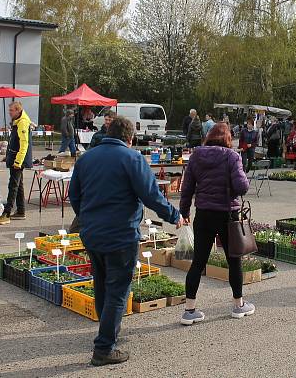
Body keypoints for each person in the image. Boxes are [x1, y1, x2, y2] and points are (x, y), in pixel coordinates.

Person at [68, 116, 182, 365]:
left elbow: (74, 196)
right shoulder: (132, 159)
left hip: (92, 233)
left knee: (101, 284)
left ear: (109, 131)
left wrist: (87, 218)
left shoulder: (86, 158)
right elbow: (152, 196)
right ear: (130, 139)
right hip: (121, 234)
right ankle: (104, 347)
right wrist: (174, 216)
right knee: (118, 291)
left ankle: (105, 333)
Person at [178, 122, 253, 326]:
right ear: (227, 139)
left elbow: (187, 189)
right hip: (228, 215)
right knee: (233, 260)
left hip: (203, 214)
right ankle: (238, 305)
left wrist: (184, 212)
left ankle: (189, 310)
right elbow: (241, 186)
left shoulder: (196, 156)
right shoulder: (232, 156)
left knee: (198, 262)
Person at [0, 102, 32, 225]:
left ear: (18, 110)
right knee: (19, 184)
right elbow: (14, 141)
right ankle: (21, 210)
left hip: (18, 159)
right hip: (15, 157)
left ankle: (6, 213)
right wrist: (8, 156)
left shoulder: (22, 122)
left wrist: (18, 161)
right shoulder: (18, 121)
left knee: (13, 185)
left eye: (11, 110)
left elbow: (24, 143)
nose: (9, 112)